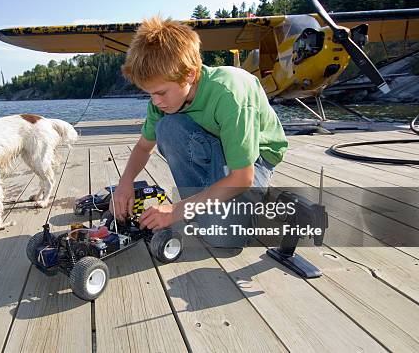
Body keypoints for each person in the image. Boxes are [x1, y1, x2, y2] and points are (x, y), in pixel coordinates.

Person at [110, 16, 288, 247]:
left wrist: (175, 211)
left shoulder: (229, 95)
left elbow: (242, 177)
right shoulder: (160, 100)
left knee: (223, 237)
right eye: (149, 93)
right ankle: (205, 204)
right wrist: (125, 183)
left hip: (257, 159)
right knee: (167, 127)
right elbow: (144, 147)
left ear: (190, 74)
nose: (155, 101)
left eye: (161, 93)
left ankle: (242, 207)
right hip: (214, 143)